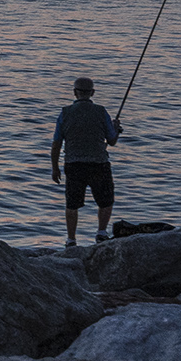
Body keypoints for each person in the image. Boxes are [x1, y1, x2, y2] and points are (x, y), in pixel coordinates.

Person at [50, 76, 122, 247]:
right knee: (106, 200)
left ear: (74, 93)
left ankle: (71, 240)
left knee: (72, 203)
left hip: (74, 165)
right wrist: (116, 128)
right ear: (93, 93)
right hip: (99, 163)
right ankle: (101, 233)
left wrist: (55, 168)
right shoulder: (101, 111)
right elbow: (111, 141)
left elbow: (56, 144)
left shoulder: (65, 113)